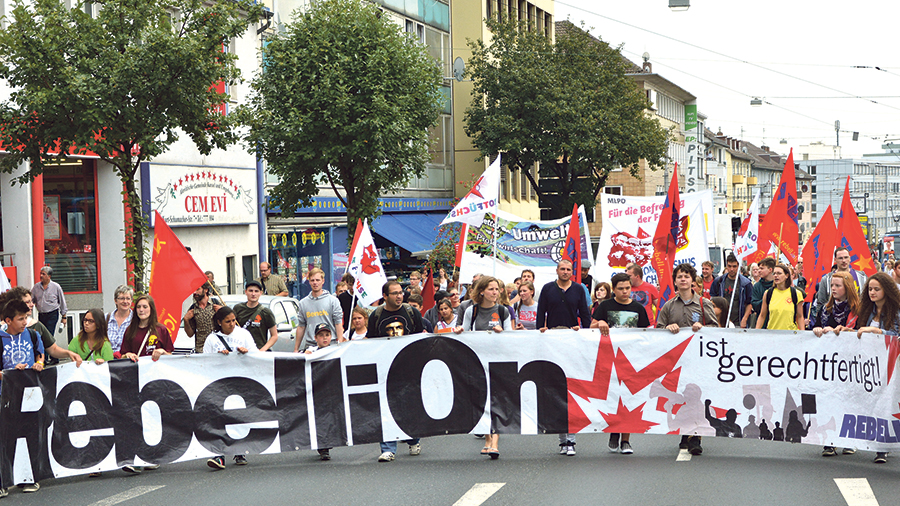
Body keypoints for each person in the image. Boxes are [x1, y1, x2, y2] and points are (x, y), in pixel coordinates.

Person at [656, 263, 718, 456]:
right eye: (679, 277)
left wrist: (703, 328)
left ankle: (696, 437)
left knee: (696, 394)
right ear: (675, 281)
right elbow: (657, 330)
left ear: (693, 281)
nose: (683, 279)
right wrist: (667, 329)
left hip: (698, 358)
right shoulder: (669, 305)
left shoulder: (703, 303)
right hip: (678, 360)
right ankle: (685, 432)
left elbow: (716, 329)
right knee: (683, 395)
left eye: (686, 276)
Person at [591, 272, 650, 455]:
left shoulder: (638, 308)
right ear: (614, 289)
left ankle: (626, 440)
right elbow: (591, 326)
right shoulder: (605, 306)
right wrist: (600, 322)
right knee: (613, 398)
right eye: (621, 289)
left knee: (629, 399)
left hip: (631, 360)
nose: (625, 292)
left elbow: (646, 332)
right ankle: (614, 430)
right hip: (609, 359)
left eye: (628, 288)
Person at [454, 276, 511, 460]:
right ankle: (487, 439)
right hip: (478, 362)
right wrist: (459, 331)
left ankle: (494, 443)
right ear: (481, 292)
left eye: (497, 289)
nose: (495, 293)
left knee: (496, 402)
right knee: (482, 402)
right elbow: (466, 331)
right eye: (491, 289)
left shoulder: (503, 311)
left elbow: (511, 338)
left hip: (498, 362)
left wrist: (502, 333)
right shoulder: (472, 310)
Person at [368, 281, 424, 462]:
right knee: (385, 406)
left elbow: (420, 337)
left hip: (408, 367)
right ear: (385, 296)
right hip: (384, 368)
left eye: (400, 292)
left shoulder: (411, 313)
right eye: (394, 293)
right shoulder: (376, 315)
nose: (399, 296)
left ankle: (413, 438)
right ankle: (388, 448)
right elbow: (371, 342)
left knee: (407, 406)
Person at [119, 294, 173, 474]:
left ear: (151, 310)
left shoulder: (160, 330)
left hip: (155, 380)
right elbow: (122, 353)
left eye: (145, 307)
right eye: (139, 307)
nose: (142, 310)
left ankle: (152, 455)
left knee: (152, 417)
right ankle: (133, 457)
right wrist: (128, 355)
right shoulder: (130, 330)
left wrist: (162, 352)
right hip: (135, 378)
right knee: (134, 417)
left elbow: (172, 356)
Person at [811, 271, 860, 458]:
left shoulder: (857, 309)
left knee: (849, 400)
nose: (834, 289)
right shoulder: (825, 309)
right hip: (829, 363)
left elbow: (860, 330)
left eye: (838, 286)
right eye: (832, 286)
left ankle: (849, 440)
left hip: (850, 362)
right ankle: (830, 441)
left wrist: (843, 331)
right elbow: (815, 326)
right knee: (829, 399)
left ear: (847, 287)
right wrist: (817, 329)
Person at [204, 306, 258, 470]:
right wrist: (217, 357)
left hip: (240, 382)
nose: (232, 324)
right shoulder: (212, 339)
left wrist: (245, 353)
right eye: (228, 322)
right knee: (219, 419)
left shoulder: (243, 334)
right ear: (219, 322)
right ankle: (218, 455)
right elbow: (204, 362)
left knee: (238, 416)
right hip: (219, 383)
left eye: (234, 320)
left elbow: (256, 355)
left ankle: (239, 450)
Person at [0, 299, 45, 494]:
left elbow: (40, 355)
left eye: (26, 317)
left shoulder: (33, 335)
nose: (25, 322)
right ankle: (3, 482)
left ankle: (29, 478)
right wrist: (9, 372)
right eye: (20, 319)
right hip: (5, 396)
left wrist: (39, 363)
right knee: (4, 439)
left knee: (30, 437)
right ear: (8, 320)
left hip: (29, 396)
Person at [856, 272, 900, 465]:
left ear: (886, 290)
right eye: (870, 289)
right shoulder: (867, 311)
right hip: (872, 367)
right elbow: (860, 333)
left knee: (888, 404)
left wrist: (878, 331)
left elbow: (896, 335)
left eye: (876, 289)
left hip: (891, 367)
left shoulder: (896, 311)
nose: (872, 293)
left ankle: (883, 448)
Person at [5, 287, 82, 366]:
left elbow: (53, 349)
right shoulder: (2, 329)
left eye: (32, 301)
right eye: (27, 302)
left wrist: (69, 353)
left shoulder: (37, 326)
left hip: (30, 375)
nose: (32, 305)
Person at [811, 248, 868, 324]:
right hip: (832, 320)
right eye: (840, 258)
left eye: (846, 257)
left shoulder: (862, 277)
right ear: (835, 260)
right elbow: (821, 303)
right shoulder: (826, 279)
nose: (844, 260)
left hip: (856, 319)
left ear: (850, 258)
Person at [295, 268, 344, 351]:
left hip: (331, 345)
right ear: (309, 282)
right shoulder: (303, 303)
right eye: (312, 280)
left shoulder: (333, 301)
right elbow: (301, 327)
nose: (315, 283)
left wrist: (340, 345)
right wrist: (296, 349)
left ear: (323, 281)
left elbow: (338, 324)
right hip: (311, 346)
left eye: (318, 280)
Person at [536, 260, 592, 331]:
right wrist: (539, 330)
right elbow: (541, 311)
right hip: (551, 332)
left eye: (568, 270)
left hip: (572, 332)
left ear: (572, 272)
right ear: (557, 271)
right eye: (562, 269)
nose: (565, 272)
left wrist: (587, 332)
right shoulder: (547, 288)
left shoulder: (578, 289)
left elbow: (584, 313)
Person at [32, 266, 67, 364]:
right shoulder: (36, 287)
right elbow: (31, 300)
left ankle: (50, 358)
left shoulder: (56, 287)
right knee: (41, 335)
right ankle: (49, 358)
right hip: (41, 314)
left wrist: (64, 317)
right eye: (40, 273)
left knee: (48, 334)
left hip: (52, 314)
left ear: (49, 276)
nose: (41, 276)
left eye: (43, 274)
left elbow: (62, 302)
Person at [755, 264, 804, 331]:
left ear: (786, 276)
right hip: (772, 335)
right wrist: (756, 331)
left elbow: (800, 316)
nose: (776, 276)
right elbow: (762, 315)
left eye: (779, 273)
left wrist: (802, 334)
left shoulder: (796, 294)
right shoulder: (768, 293)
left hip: (790, 335)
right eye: (774, 273)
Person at [232, 281, 278, 352]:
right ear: (246, 292)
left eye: (256, 291)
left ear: (260, 293)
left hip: (258, 351)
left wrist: (262, 350)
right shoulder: (237, 308)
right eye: (250, 291)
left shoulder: (266, 312)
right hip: (240, 351)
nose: (253, 294)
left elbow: (274, 336)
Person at [710, 254, 753, 328]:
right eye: (729, 266)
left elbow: (749, 303)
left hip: (738, 321)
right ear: (726, 265)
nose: (731, 269)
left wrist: (745, 319)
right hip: (722, 322)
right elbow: (712, 301)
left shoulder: (746, 283)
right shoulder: (718, 281)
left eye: (734, 266)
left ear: (738, 266)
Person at [183, 282, 220, 353]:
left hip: (216, 348)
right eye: (193, 290)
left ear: (206, 290)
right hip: (201, 349)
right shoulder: (193, 309)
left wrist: (222, 311)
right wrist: (186, 320)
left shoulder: (215, 304)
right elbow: (190, 334)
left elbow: (229, 323)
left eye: (197, 289)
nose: (194, 292)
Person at [107, 285, 134, 355]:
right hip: (107, 360)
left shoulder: (135, 320)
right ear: (115, 300)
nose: (125, 301)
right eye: (122, 298)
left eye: (128, 298)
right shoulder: (106, 318)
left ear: (131, 300)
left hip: (127, 361)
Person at [750, 257, 777, 327]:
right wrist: (767, 300)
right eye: (759, 268)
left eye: (762, 268)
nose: (759, 271)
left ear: (770, 270)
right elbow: (755, 305)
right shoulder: (757, 286)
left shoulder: (778, 285)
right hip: (763, 324)